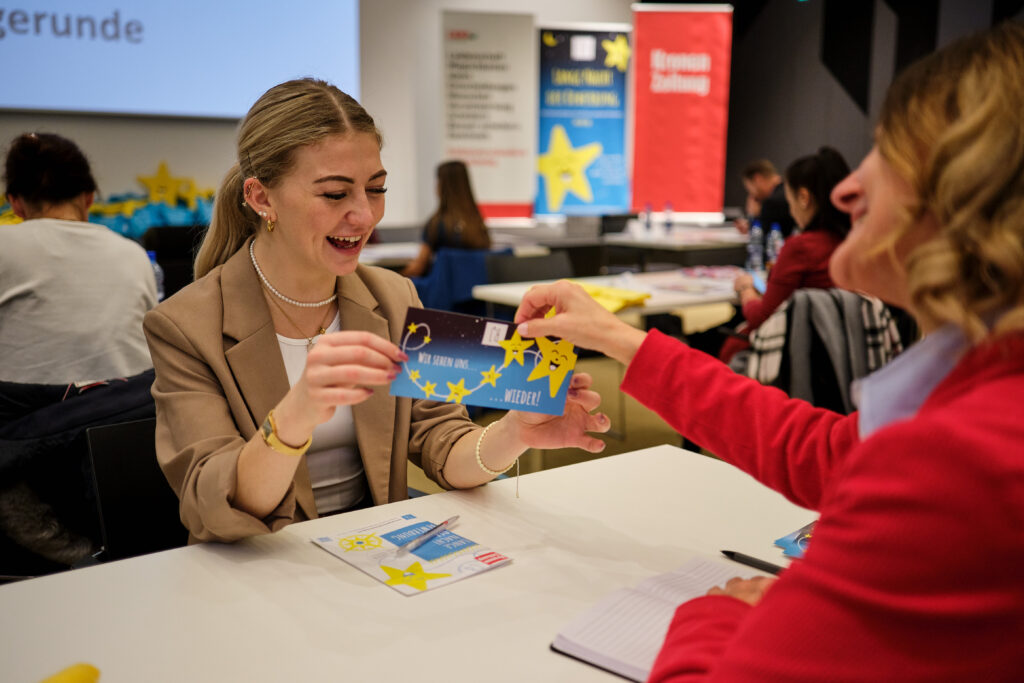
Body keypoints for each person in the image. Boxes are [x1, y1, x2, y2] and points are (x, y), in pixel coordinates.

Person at [514, 22, 1024, 679]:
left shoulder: (961, 462)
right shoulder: (984, 404)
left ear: (972, 198)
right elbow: (818, 450)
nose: (849, 189)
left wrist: (726, 613)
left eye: (886, 152)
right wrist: (612, 334)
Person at [143, 78, 608, 543]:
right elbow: (215, 505)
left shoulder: (394, 296)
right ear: (261, 197)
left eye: (377, 189)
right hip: (257, 572)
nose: (364, 216)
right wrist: (295, 415)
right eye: (334, 194)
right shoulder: (184, 327)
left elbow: (442, 443)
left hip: (372, 559)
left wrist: (515, 431)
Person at [1, 132, 157, 384]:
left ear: (15, 203)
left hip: (27, 420)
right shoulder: (133, 255)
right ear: (89, 198)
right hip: (126, 416)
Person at [721, 147, 851, 363]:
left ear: (803, 198)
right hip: (839, 355)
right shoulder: (853, 243)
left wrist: (746, 290)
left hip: (793, 357)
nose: (790, 211)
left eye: (790, 202)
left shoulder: (801, 248)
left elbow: (762, 318)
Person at [401, 159, 490, 278]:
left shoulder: (437, 224)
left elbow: (418, 268)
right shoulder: (478, 223)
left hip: (441, 292)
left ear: (441, 185)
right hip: (473, 293)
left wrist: (393, 279)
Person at [734, 159, 796, 238]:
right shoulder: (789, 190)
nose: (751, 194)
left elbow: (762, 237)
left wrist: (754, 216)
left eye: (749, 187)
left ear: (758, 179)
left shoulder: (772, 202)